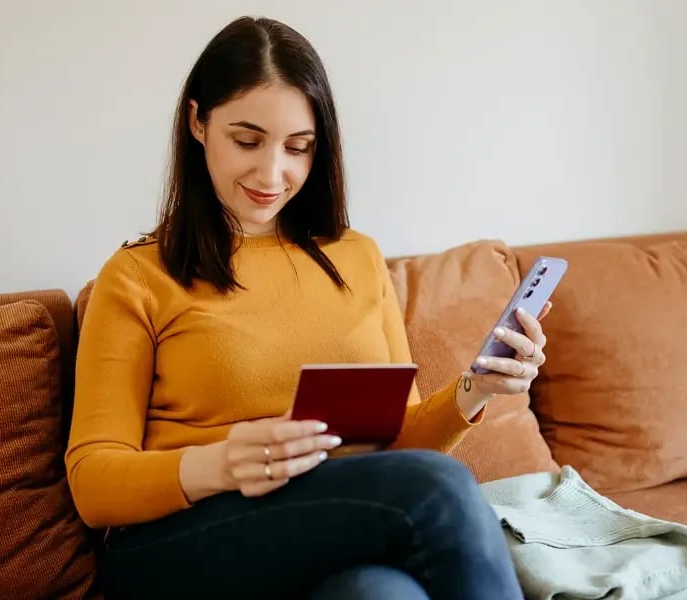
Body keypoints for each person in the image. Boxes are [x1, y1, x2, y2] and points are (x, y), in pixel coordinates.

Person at [65, 15, 553, 600]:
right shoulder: (139, 274)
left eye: (299, 148)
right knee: (440, 488)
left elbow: (398, 448)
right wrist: (220, 464)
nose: (273, 173)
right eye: (247, 141)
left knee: (378, 593)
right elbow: (93, 483)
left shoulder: (356, 256)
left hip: (321, 522)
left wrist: (477, 388)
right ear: (198, 122)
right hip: (179, 541)